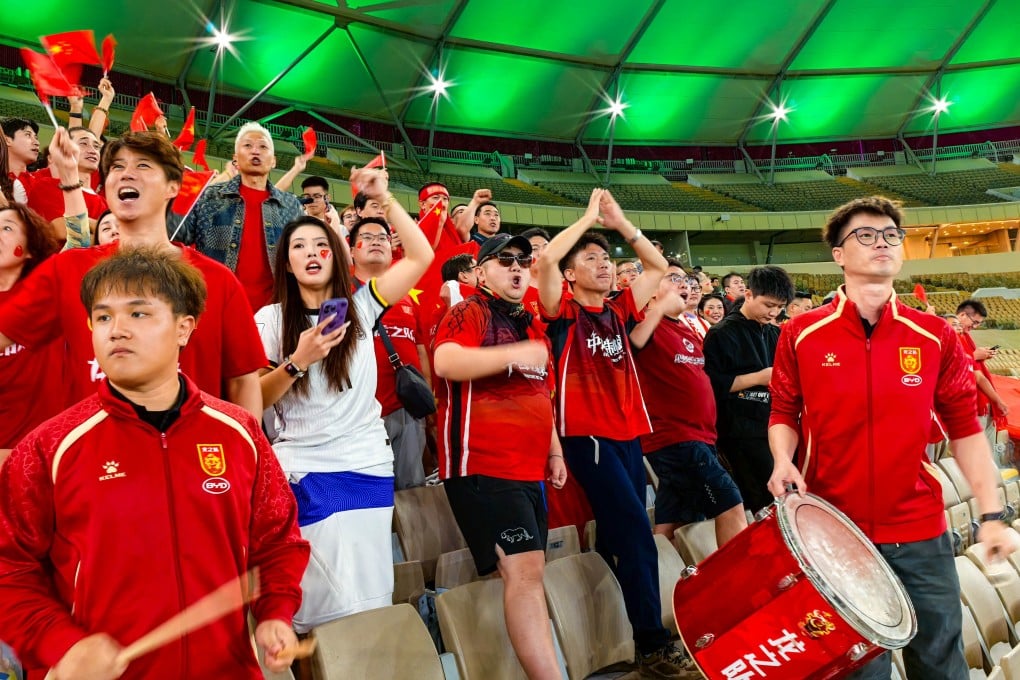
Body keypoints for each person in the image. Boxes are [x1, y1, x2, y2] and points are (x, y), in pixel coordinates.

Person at [0, 247, 309, 679]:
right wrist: (62, 644)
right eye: (102, 317)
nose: (117, 330)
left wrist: (275, 613)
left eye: (138, 313)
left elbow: (278, 542)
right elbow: (10, 570)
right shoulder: (49, 447)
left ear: (184, 328)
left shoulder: (240, 434)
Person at [768, 196, 1010, 680]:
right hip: (836, 528)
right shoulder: (800, 333)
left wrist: (991, 513)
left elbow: (965, 430)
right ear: (838, 254)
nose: (881, 242)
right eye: (865, 235)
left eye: (890, 235)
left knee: (940, 658)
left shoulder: (934, 334)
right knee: (861, 669)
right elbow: (783, 411)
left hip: (919, 526)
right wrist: (782, 459)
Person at [256, 167, 434, 632]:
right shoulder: (269, 320)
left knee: (367, 589)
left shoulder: (362, 306)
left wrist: (385, 198)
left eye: (320, 245)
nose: (311, 253)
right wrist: (298, 360)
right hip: (303, 465)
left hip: (366, 462)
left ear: (335, 257)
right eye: (298, 247)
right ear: (286, 264)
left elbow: (421, 255)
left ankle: (364, 658)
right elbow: (252, 400)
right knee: (320, 595)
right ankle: (319, 658)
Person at [539, 189, 697, 678]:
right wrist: (587, 218)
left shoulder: (619, 309)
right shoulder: (562, 312)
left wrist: (621, 222)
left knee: (616, 535)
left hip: (628, 434)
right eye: (591, 259)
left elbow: (657, 266)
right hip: (587, 437)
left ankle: (616, 638)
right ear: (570, 275)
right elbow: (545, 260)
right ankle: (653, 645)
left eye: (607, 259)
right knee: (634, 533)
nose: (604, 265)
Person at [0, 129, 266, 419]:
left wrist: (248, 444)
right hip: (95, 445)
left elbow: (243, 382)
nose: (126, 174)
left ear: (173, 187)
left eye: (143, 165)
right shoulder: (67, 269)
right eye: (117, 167)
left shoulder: (218, 280)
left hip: (192, 444)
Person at [433, 233, 566, 679]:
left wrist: (554, 451)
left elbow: (542, 394)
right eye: (504, 260)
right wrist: (515, 353)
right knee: (525, 571)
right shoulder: (469, 310)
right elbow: (447, 362)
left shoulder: (531, 324)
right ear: (480, 272)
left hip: (528, 468)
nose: (516, 268)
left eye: (523, 262)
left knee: (524, 573)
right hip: (482, 464)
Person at [630, 260, 747, 548]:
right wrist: (658, 307)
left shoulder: (685, 329)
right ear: (651, 288)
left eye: (686, 281)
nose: (683, 284)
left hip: (701, 436)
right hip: (675, 439)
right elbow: (633, 342)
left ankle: (659, 574)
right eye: (672, 278)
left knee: (674, 523)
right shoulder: (644, 322)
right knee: (731, 504)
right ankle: (738, 575)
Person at [182, 122, 305, 311]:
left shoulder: (290, 205)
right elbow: (176, 238)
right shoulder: (209, 197)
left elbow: (302, 257)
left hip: (275, 312)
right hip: (216, 307)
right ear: (235, 159)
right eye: (247, 145)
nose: (255, 151)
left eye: (263, 147)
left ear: (273, 161)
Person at [703, 265, 793, 514]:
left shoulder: (775, 332)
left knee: (786, 497)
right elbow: (711, 385)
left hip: (775, 426)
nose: (773, 312)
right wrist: (760, 377)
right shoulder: (721, 334)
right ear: (749, 294)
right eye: (768, 305)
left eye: (780, 307)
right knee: (763, 501)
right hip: (740, 431)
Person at [350, 215, 431, 490]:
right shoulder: (339, 295)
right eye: (367, 237)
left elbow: (420, 351)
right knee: (367, 495)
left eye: (382, 238)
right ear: (351, 250)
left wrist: (427, 400)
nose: (376, 241)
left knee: (412, 496)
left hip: (407, 411)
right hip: (359, 415)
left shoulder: (407, 295)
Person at [0, 203, 62, 461]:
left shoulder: (48, 292)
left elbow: (79, 240)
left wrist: (71, 183)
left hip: (44, 451)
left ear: (30, 248)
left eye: (6, 228)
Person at [955, 299, 1009, 460]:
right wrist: (998, 400)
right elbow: (971, 373)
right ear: (962, 315)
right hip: (970, 405)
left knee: (986, 454)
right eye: (975, 322)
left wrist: (979, 356)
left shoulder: (965, 336)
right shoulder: (953, 337)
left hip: (981, 403)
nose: (976, 326)